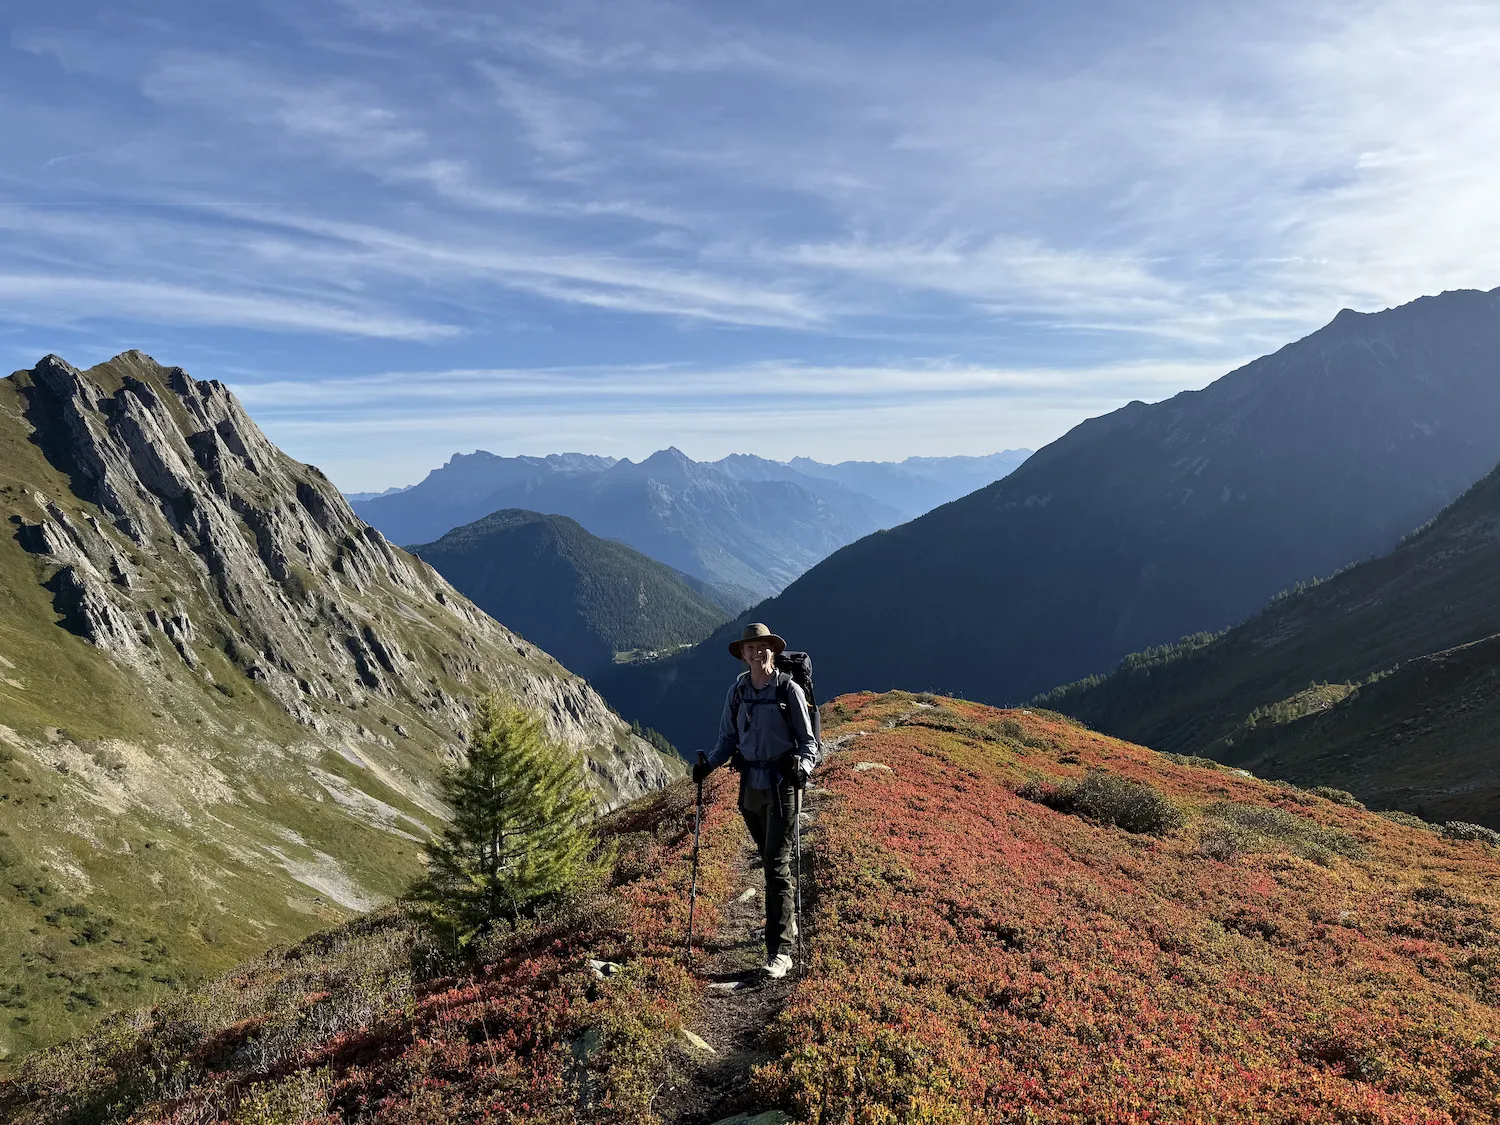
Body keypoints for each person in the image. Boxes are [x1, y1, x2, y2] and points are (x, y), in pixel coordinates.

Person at [693, 622, 819, 980]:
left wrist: (803, 768)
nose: (757, 652)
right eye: (751, 648)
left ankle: (780, 951)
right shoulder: (738, 692)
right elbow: (727, 740)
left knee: (776, 864)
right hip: (750, 788)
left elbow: (809, 743)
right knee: (769, 860)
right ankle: (787, 923)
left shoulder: (788, 690)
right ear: (743, 654)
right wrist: (709, 767)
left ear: (772, 650)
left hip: (783, 788)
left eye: (763, 647)